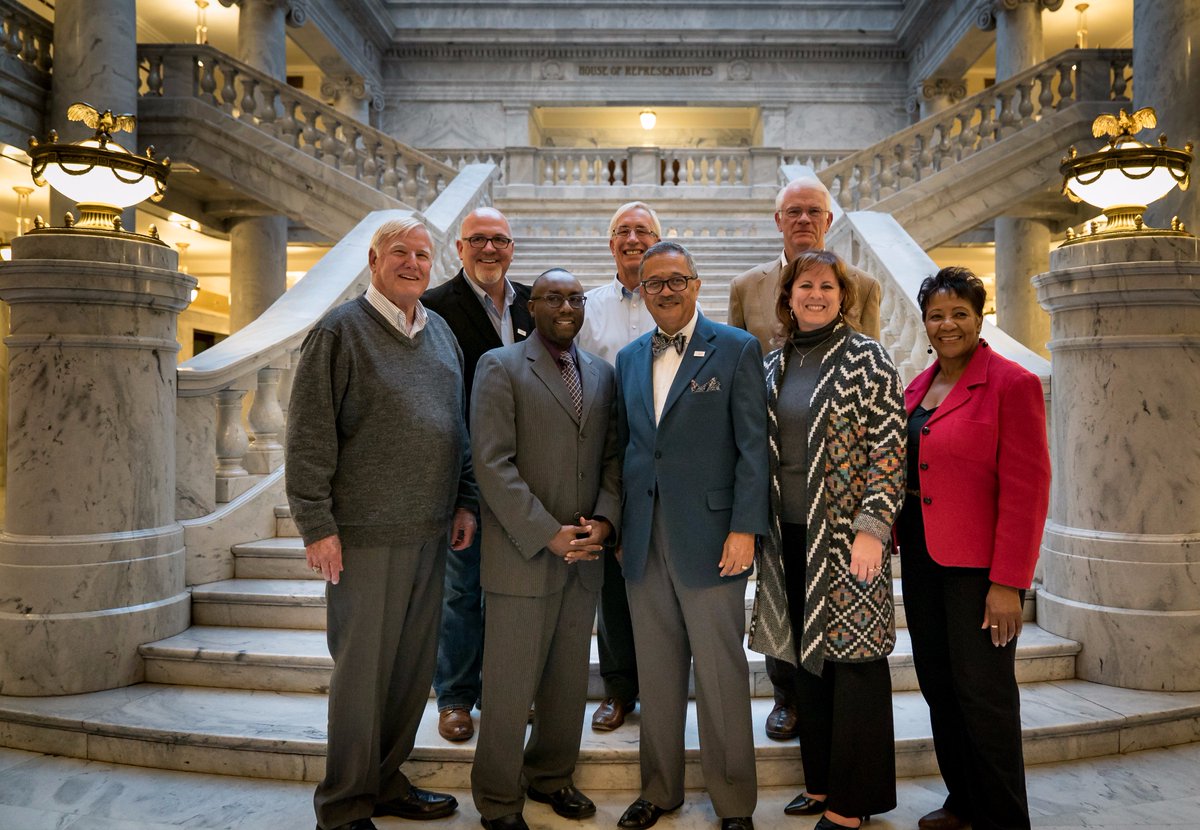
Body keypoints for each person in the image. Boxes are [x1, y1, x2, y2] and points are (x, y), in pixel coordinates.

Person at [286, 217, 479, 830]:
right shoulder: (340, 332)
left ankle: (385, 779)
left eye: (423, 255)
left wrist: (465, 499)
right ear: (373, 259)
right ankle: (343, 805)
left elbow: (457, 428)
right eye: (401, 252)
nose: (414, 264)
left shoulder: (440, 331)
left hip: (430, 532)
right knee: (361, 675)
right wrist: (317, 525)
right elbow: (309, 436)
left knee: (409, 673)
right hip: (363, 539)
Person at [748, 250, 906, 830]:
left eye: (827, 286)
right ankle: (820, 784)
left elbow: (889, 452)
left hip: (847, 539)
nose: (815, 294)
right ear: (787, 296)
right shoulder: (772, 365)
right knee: (805, 660)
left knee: (855, 663)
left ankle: (852, 801)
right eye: (804, 285)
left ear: (843, 296)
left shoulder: (870, 359)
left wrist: (873, 528)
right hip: (787, 535)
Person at [614, 240, 768, 830]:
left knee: (721, 674)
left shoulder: (735, 350)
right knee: (656, 672)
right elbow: (627, 448)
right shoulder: (629, 358)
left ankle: (734, 804)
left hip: (714, 538)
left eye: (677, 280)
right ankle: (660, 790)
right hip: (643, 540)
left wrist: (745, 528)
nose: (667, 291)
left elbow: (753, 449)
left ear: (697, 285)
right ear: (642, 290)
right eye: (655, 283)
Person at [896, 267, 1050, 830]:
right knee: (940, 688)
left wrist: (1009, 580)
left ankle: (1005, 819)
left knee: (984, 697)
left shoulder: (1012, 383)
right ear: (925, 323)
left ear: (979, 317)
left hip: (979, 570)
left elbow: (1028, 490)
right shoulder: (917, 386)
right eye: (937, 315)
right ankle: (963, 803)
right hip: (919, 557)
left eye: (959, 312)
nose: (947, 324)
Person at [728, 176, 882, 740]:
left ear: (828, 219)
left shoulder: (861, 284)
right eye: (792, 210)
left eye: (814, 210)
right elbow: (736, 378)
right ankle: (787, 696)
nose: (803, 219)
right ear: (778, 220)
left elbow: (871, 382)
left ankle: (829, 703)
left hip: (838, 485)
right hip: (774, 466)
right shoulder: (747, 286)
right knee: (778, 590)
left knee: (831, 604)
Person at [469, 268, 621, 830]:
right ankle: (498, 800)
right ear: (530, 307)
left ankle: (552, 777)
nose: (566, 306)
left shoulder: (602, 375)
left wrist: (603, 524)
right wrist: (546, 533)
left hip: (584, 557)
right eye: (553, 297)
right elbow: (492, 463)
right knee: (509, 688)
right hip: (523, 555)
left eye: (575, 298)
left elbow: (611, 458)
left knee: (565, 686)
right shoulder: (500, 366)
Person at [421, 206, 534, 742]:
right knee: (461, 589)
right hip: (464, 471)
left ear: (512, 248)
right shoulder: (433, 307)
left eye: (500, 241)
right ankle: (456, 697)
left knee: (512, 590)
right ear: (459, 248)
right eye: (479, 241)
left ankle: (505, 689)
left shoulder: (536, 303)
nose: (490, 250)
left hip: (525, 473)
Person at [576, 201, 663, 731]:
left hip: (666, 459)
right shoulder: (584, 306)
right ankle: (619, 688)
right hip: (606, 457)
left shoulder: (675, 297)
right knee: (611, 579)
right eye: (623, 232)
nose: (632, 238)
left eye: (643, 231)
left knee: (661, 576)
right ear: (610, 244)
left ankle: (664, 683)